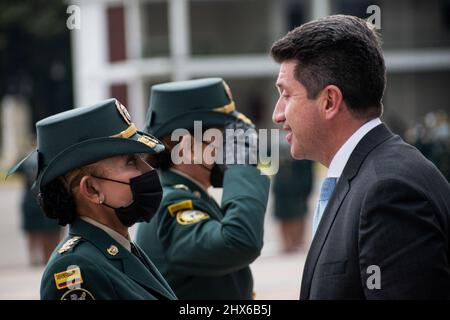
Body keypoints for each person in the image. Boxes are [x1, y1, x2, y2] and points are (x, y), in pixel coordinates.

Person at [271, 15, 450, 299]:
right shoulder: (369, 174)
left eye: (286, 95)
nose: (277, 113)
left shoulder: (387, 192)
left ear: (329, 101)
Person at [7, 99, 177, 300]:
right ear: (91, 189)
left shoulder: (119, 249)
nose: (149, 170)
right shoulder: (76, 270)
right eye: (131, 162)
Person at [135, 78, 270, 299]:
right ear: (187, 146)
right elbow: (240, 241)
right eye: (223, 139)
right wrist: (241, 165)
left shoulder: (192, 194)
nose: (230, 148)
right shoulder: (171, 203)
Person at [15, 151, 62, 265]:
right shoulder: (53, 155)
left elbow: (16, 169)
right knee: (50, 233)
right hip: (48, 199)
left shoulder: (26, 158)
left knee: (37, 233)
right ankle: (50, 259)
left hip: (33, 200)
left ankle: (36, 259)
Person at [272, 133, 313, 252]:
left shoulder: (303, 144)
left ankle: (298, 242)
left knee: (299, 214)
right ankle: (287, 244)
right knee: (283, 215)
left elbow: (308, 171)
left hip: (298, 186)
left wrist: (307, 187)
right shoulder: (276, 144)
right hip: (282, 187)